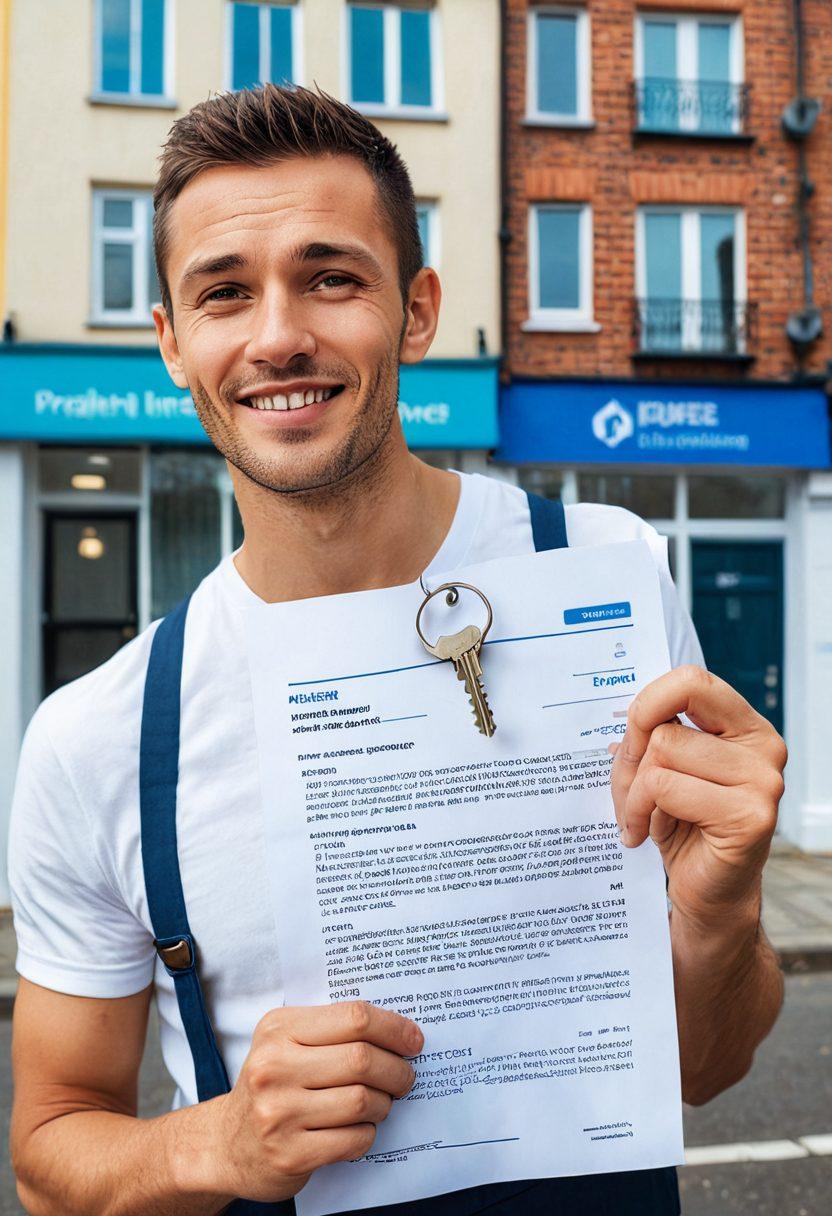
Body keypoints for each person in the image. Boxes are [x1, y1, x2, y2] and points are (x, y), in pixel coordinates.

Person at [9, 85, 786, 1216]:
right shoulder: (98, 737)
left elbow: (705, 1067)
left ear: (417, 311)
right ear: (174, 343)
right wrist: (214, 1142)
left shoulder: (606, 578)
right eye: (224, 293)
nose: (278, 335)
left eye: (331, 278)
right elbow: (48, 1156)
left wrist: (721, 915)